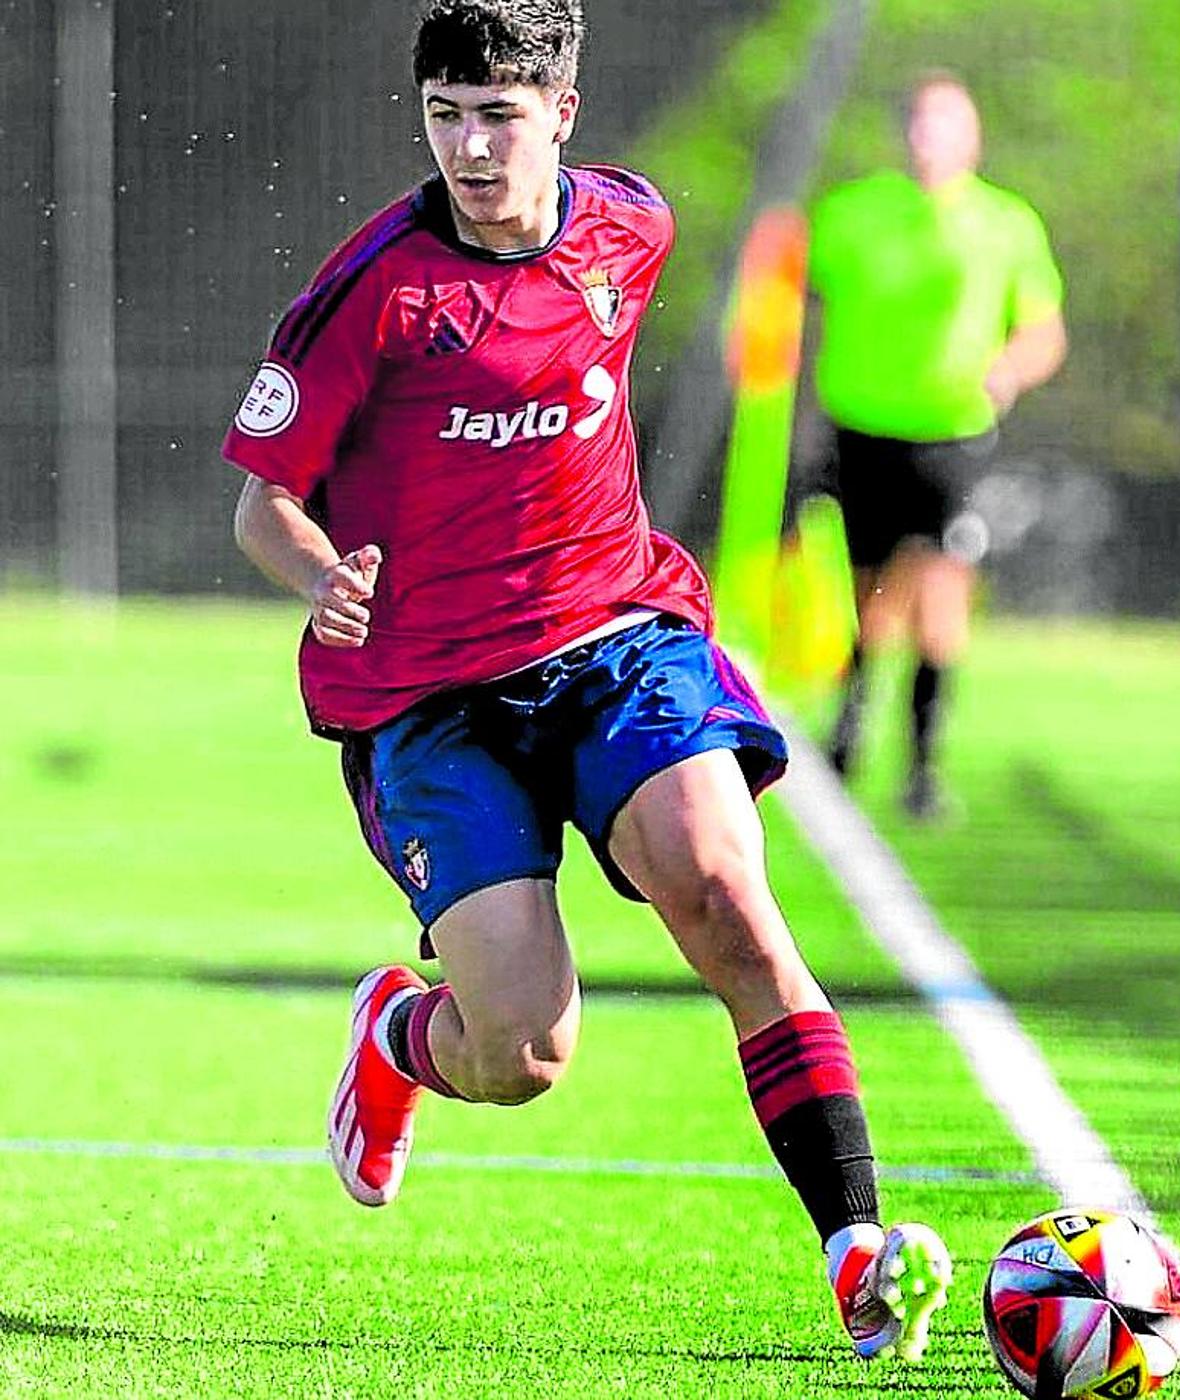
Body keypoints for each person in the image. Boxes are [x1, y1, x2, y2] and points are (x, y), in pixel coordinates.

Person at [225, 0, 951, 1363]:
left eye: (498, 114)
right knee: (525, 1054)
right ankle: (401, 1036)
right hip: (432, 701)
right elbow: (261, 501)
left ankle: (854, 1243)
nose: (471, 146)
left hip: (618, 638)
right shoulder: (374, 289)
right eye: (446, 115)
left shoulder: (633, 226)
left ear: (562, 110)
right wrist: (318, 567)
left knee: (725, 891)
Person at [807, 72, 1067, 817]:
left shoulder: (1006, 223)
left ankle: (923, 761)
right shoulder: (851, 215)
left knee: (942, 583)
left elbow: (1043, 330)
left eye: (944, 126)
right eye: (918, 125)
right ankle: (850, 722)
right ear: (902, 134)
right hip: (859, 426)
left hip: (953, 433)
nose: (929, 140)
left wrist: (1010, 368)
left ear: (972, 137)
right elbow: (789, 295)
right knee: (868, 591)